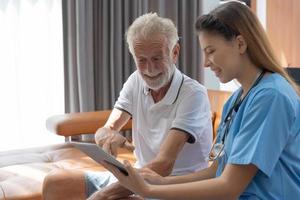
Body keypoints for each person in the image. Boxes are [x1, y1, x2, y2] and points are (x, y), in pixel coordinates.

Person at [101, 2, 300, 200]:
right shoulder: (236, 101)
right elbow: (216, 170)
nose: (205, 63)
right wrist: (161, 182)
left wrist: (148, 191)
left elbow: (229, 187)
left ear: (240, 43)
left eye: (211, 51)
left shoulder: (271, 97)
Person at [42, 13, 212, 200]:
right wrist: (106, 134)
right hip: (138, 178)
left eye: (157, 58)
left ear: (175, 52)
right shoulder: (136, 81)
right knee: (55, 183)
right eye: (142, 60)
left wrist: (103, 195)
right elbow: (107, 128)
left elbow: (163, 165)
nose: (149, 69)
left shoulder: (193, 94)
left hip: (174, 188)